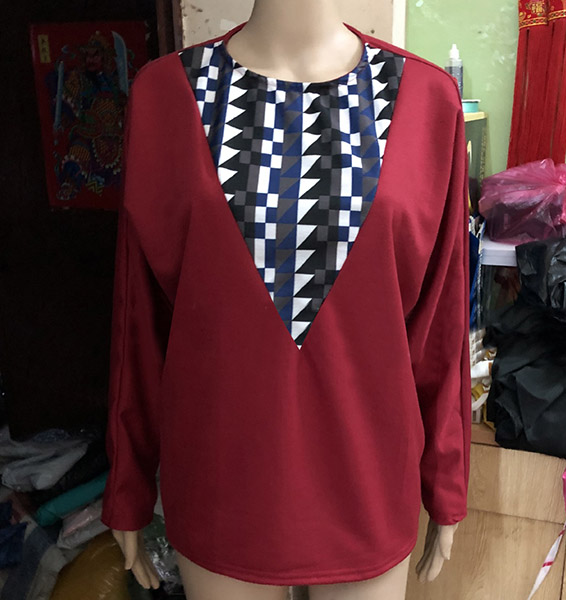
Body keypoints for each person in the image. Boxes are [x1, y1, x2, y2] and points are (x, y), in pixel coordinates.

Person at [100, 1, 472, 598]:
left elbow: (441, 323)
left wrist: (445, 483)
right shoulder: (166, 94)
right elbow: (138, 318)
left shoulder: (428, 100)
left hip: (369, 480)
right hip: (222, 480)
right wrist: (128, 486)